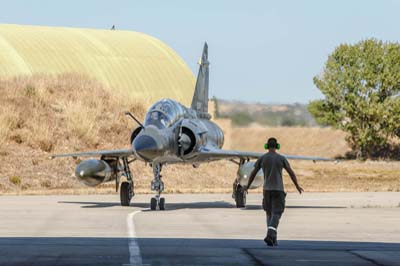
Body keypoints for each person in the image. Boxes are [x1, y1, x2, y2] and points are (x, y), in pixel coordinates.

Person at [244, 137, 304, 246]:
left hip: (266, 190)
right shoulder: (281, 158)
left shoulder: (262, 159)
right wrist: (297, 186)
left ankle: (273, 239)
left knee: (269, 213)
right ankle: (270, 234)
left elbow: (253, 173)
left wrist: (247, 186)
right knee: (277, 213)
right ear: (277, 146)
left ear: (266, 146)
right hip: (278, 190)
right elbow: (291, 173)